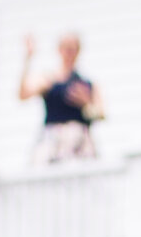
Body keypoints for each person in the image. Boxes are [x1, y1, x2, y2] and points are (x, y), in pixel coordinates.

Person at [19, 31, 104, 164]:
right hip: (52, 142)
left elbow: (101, 114)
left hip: (79, 143)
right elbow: (23, 95)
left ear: (78, 51)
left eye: (73, 48)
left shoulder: (87, 84)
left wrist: (86, 104)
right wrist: (28, 58)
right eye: (66, 48)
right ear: (59, 50)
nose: (69, 52)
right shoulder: (49, 80)